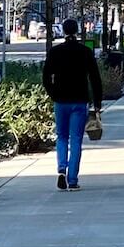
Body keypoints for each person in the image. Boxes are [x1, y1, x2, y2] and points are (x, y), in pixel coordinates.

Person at [42, 18, 103, 191]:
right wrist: (97, 102)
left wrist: (53, 93)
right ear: (77, 31)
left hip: (61, 100)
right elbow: (95, 78)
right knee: (76, 139)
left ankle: (61, 168)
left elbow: (46, 77)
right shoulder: (85, 51)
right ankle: (73, 179)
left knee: (61, 137)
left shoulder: (55, 52)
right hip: (79, 100)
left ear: (63, 30)